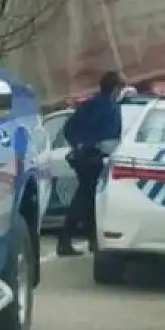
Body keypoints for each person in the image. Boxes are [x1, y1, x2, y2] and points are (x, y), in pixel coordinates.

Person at [57, 69, 124, 257]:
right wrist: (90, 145)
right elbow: (111, 136)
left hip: (82, 156)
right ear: (114, 89)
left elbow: (69, 127)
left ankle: (90, 240)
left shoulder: (91, 103)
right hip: (94, 157)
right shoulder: (110, 108)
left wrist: (78, 144)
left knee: (88, 198)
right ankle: (67, 240)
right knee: (85, 197)